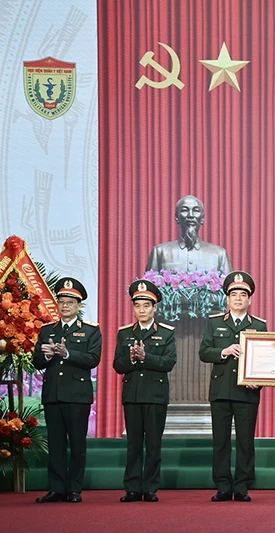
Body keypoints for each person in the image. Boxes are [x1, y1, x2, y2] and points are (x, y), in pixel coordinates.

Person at [32, 277, 102, 503]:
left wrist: (67, 353)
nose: (65, 306)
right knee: (56, 444)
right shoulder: (47, 330)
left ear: (79, 305)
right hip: (53, 394)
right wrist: (47, 355)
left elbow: (93, 359)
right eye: (61, 301)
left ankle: (74, 489)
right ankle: (56, 488)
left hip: (77, 396)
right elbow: (37, 362)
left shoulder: (91, 331)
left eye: (70, 302)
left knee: (78, 444)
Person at [199, 271, 266, 502]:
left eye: (243, 294)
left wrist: (261, 380)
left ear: (250, 299)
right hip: (221, 391)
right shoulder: (215, 322)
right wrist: (224, 351)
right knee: (221, 441)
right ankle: (223, 486)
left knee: (246, 441)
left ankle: (242, 486)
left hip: (248, 392)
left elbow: (267, 360)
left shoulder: (259, 325)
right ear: (227, 299)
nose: (238, 298)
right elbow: (204, 352)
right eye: (233, 294)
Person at [113, 280, 177, 502]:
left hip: (156, 396)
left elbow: (169, 362)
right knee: (133, 445)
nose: (141, 310)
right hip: (132, 395)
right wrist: (131, 358)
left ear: (155, 308)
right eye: (137, 306)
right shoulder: (124, 333)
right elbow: (117, 365)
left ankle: (150, 488)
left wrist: (145, 357)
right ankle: (131, 487)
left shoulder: (166, 333)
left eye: (146, 306)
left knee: (153, 444)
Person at [146, 195, 233, 273]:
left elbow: (229, 289)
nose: (190, 215)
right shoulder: (160, 252)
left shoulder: (219, 254)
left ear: (202, 218)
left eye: (196, 211)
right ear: (177, 217)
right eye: (185, 210)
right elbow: (149, 289)